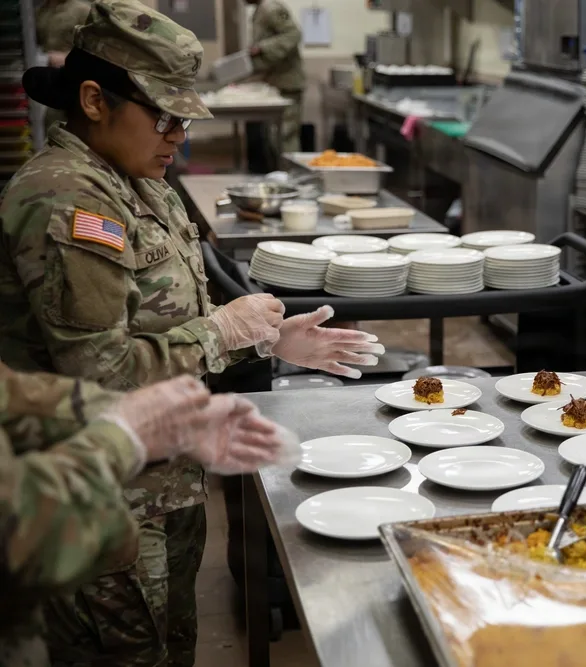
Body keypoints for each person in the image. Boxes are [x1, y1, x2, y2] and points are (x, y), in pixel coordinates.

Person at [0, 1, 383, 664]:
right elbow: (101, 372)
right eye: (164, 114)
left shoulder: (140, 182)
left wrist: (266, 338)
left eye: (185, 116)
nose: (178, 132)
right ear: (93, 99)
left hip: (166, 484)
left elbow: (168, 317)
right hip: (109, 500)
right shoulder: (65, 195)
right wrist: (222, 329)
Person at [0, 366, 292, 666]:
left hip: (165, 487)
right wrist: (123, 436)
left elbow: (12, 393)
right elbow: (21, 533)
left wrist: (151, 416)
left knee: (173, 634)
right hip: (101, 519)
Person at [246, 0, 306, 170]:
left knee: (286, 137)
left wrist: (262, 48)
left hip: (288, 83)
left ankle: (292, 179)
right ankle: (282, 176)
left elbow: (293, 34)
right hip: (275, 83)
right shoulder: (259, 11)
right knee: (275, 138)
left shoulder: (271, 9)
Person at [35, 0, 91, 130]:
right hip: (48, 78)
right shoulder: (41, 11)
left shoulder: (83, 10)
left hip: (74, 78)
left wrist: (68, 58)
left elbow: (96, 49)